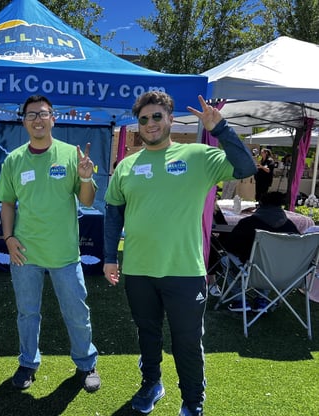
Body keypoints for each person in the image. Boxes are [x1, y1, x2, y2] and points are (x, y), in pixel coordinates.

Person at [103, 92, 257, 416]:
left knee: (186, 343)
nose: (150, 124)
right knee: (147, 334)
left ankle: (192, 403)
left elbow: (245, 166)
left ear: (171, 119)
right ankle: (151, 385)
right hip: (139, 271)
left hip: (185, 272)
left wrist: (221, 129)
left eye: (157, 116)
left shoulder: (198, 156)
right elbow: (113, 213)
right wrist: (109, 257)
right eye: (144, 119)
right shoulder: (127, 166)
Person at [0, 94, 101, 393]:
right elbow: (7, 204)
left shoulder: (71, 154)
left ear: (54, 118)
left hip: (65, 253)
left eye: (43, 114)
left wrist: (85, 178)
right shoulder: (14, 159)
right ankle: (28, 362)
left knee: (77, 312)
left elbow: (87, 201)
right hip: (25, 252)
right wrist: (9, 238)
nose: (37, 119)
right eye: (31, 115)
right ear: (24, 121)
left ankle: (86, 363)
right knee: (27, 312)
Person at [220, 191, 299, 313]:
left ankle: (239, 300)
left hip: (251, 272)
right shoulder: (290, 227)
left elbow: (230, 247)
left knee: (226, 260)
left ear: (260, 205)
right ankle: (262, 300)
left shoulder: (247, 224)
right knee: (268, 264)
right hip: (283, 274)